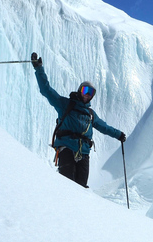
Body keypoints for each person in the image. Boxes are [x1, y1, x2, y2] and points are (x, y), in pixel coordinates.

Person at [32, 52, 126, 188]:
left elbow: (103, 127)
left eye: (91, 92)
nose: (87, 95)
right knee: (67, 183)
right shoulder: (65, 104)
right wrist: (39, 68)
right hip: (66, 147)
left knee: (81, 187)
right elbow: (46, 90)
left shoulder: (90, 114)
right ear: (79, 90)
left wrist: (118, 135)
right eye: (85, 90)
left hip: (84, 153)